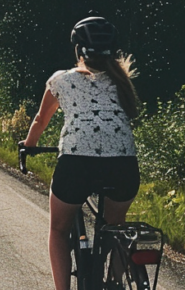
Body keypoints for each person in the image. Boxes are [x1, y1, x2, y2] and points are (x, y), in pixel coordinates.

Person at [21, 15, 140, 290]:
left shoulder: (61, 80)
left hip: (77, 164)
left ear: (78, 50)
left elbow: (40, 120)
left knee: (59, 231)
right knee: (117, 228)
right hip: (123, 167)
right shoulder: (122, 82)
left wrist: (28, 146)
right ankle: (114, 282)